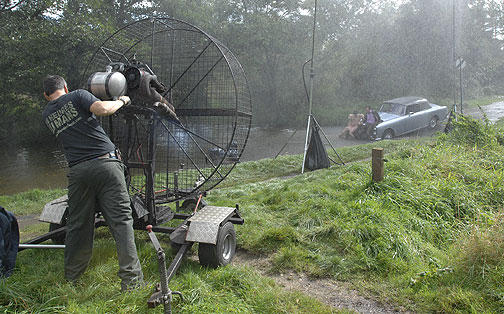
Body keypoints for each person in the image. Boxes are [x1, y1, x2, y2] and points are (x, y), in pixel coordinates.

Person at [42, 75, 143, 291]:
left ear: (45, 95)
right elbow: (103, 110)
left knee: (78, 225)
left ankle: (72, 279)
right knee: (121, 222)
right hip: (105, 164)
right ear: (65, 87)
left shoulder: (47, 113)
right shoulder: (77, 95)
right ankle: (131, 282)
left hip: (78, 172)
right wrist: (122, 100)